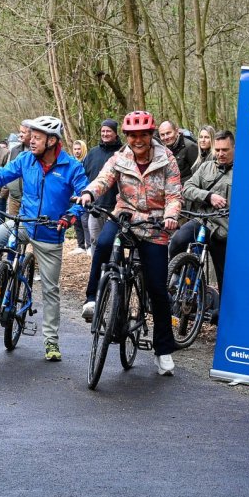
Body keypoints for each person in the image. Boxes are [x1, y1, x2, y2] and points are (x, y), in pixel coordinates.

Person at [0, 115, 87, 362]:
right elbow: (0, 176)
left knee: (50, 289)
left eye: (37, 138)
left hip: (50, 232)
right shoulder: (25, 160)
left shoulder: (71, 167)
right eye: (30, 137)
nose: (31, 142)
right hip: (22, 223)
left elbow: (83, 197)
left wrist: (71, 215)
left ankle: (51, 342)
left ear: (52, 141)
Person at [78, 111, 181, 376]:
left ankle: (163, 351)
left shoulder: (166, 158)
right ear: (127, 137)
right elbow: (104, 179)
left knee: (157, 288)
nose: (137, 140)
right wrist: (89, 192)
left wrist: (170, 216)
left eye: (142, 135)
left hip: (155, 224)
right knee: (102, 244)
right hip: (124, 215)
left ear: (150, 135)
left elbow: (174, 195)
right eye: (133, 135)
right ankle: (93, 299)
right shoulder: (119, 157)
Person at [170, 130, 234, 319]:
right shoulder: (206, 168)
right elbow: (187, 188)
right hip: (202, 221)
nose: (221, 154)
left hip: (223, 229)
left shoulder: (243, 173)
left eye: (225, 150)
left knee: (225, 276)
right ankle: (178, 280)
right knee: (177, 241)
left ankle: (223, 316)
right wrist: (208, 196)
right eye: (218, 150)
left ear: (234, 149)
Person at [81, 119, 122, 254]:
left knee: (116, 241)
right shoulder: (92, 153)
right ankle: (98, 269)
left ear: (115, 133)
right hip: (96, 206)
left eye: (108, 131)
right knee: (95, 240)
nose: (105, 134)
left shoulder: (123, 152)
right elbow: (84, 175)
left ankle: (116, 269)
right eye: (103, 131)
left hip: (117, 207)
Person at [68, 139, 89, 253]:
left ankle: (89, 245)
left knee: (86, 221)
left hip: (84, 196)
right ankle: (81, 245)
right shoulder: (71, 162)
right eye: (75, 149)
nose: (77, 151)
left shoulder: (87, 161)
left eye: (79, 149)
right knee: (76, 221)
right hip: (72, 196)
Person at [4, 124, 29, 216]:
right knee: (12, 227)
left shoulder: (37, 151)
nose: (20, 135)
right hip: (14, 198)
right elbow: (8, 171)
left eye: (23, 132)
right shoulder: (15, 150)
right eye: (20, 132)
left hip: (30, 200)